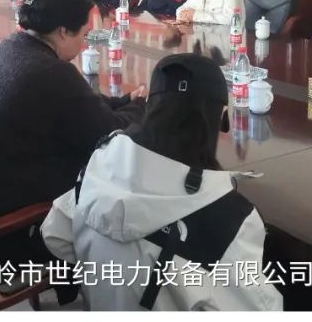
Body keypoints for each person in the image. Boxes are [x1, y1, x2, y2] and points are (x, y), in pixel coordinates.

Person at [41, 53, 281, 310]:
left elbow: (55, 235)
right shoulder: (230, 220)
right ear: (220, 118)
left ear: (149, 107)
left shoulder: (100, 167)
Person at [0, 0, 145, 232]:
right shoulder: (52, 72)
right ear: (63, 31)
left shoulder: (9, 49)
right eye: (84, 35)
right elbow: (108, 135)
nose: (84, 44)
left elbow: (79, 104)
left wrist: (124, 101)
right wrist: (141, 105)